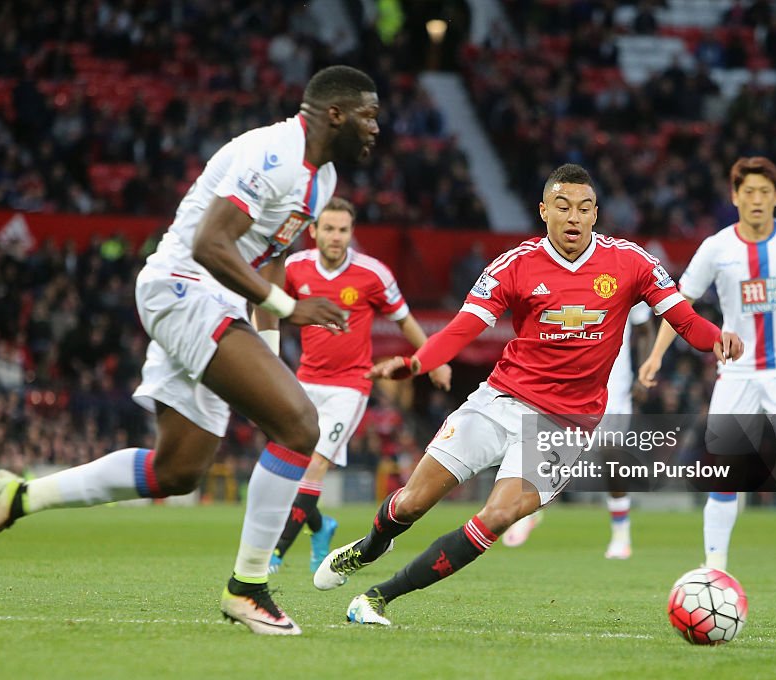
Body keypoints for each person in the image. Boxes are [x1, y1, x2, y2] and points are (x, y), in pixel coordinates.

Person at [0, 65, 380, 636]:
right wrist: (284, 306)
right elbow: (211, 243)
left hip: (217, 303)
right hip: (185, 287)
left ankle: (18, 495)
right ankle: (248, 587)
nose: (376, 127)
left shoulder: (321, 177)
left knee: (176, 471)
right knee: (301, 426)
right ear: (336, 113)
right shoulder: (274, 154)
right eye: (368, 114)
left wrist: (272, 342)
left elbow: (272, 251)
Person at [311, 163, 743, 625]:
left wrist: (717, 336)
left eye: (583, 208)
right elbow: (464, 328)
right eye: (562, 207)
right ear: (543, 211)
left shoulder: (631, 262)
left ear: (596, 214)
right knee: (413, 501)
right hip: (500, 401)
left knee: (496, 517)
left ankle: (377, 598)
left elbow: (682, 317)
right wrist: (418, 363)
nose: (573, 217)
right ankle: (370, 547)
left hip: (563, 426)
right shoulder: (516, 264)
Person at [638, 156, 776, 593]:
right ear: (735, 197)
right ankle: (715, 569)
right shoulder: (717, 247)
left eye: (764, 192)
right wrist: (657, 355)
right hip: (735, 373)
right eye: (748, 192)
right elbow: (679, 303)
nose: (756, 199)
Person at [268, 197, 451, 574]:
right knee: (288, 473)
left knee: (315, 466)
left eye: (343, 230)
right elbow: (271, 310)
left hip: (350, 386)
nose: (336, 237)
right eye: (329, 229)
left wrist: (435, 360)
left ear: (352, 233)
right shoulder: (294, 268)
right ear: (314, 232)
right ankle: (322, 526)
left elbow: (404, 320)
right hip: (304, 382)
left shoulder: (373, 274)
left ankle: (274, 554)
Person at [500, 302, 654, 558]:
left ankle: (621, 533)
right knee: (551, 451)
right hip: (566, 385)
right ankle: (532, 510)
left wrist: (644, 373)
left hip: (612, 387)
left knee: (611, 457)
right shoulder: (563, 277)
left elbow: (646, 329)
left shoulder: (627, 274)